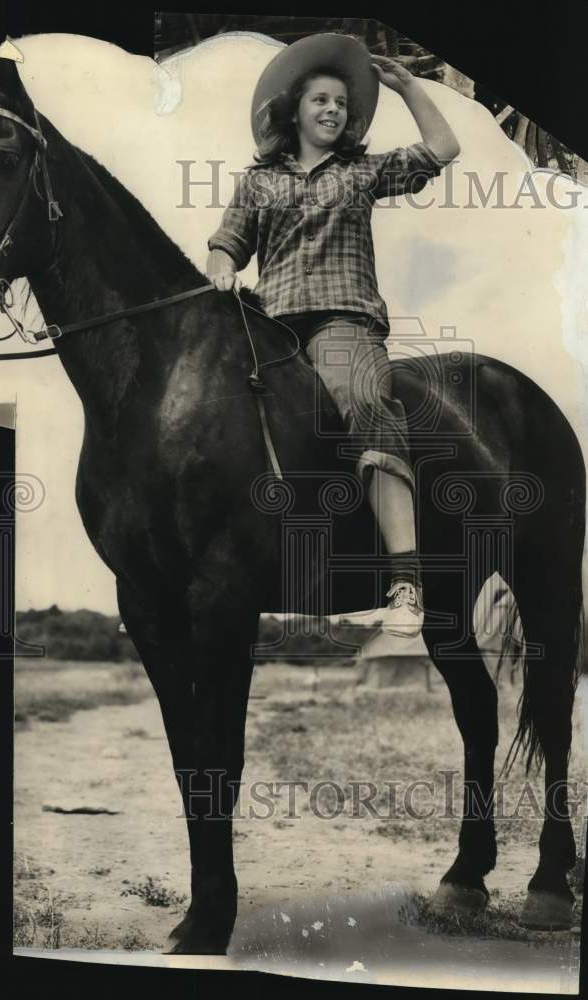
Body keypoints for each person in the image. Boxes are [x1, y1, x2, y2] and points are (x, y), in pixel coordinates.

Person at [206, 34, 459, 638]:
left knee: (370, 403)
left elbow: (443, 148)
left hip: (342, 322)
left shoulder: (363, 172)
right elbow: (228, 244)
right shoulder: (258, 180)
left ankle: (406, 581)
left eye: (342, 104)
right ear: (295, 109)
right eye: (320, 99)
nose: (332, 110)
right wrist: (220, 265)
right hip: (269, 326)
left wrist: (407, 87)